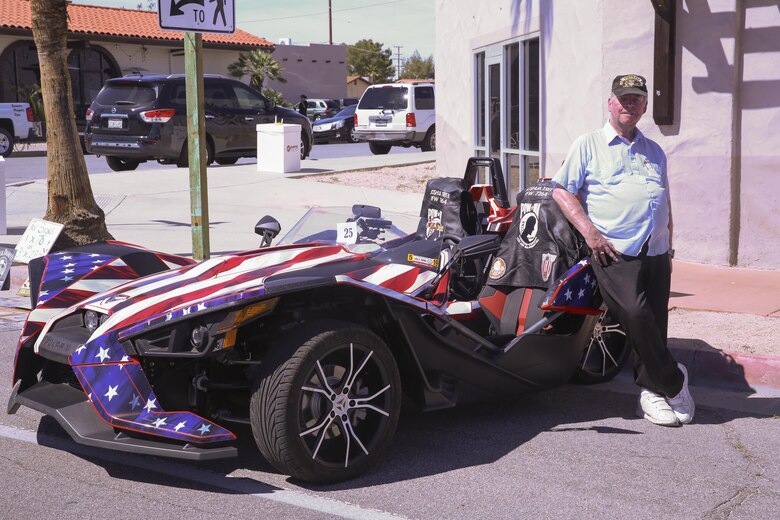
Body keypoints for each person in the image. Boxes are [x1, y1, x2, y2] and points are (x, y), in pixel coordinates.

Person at [551, 74, 694, 427]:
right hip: (613, 250)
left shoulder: (654, 151)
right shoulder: (588, 144)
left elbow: (665, 201)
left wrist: (669, 244)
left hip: (656, 249)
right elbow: (561, 190)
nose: (630, 104)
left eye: (637, 99)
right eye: (624, 98)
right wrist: (591, 234)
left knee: (655, 323)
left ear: (644, 106)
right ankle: (674, 382)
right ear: (611, 103)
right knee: (634, 313)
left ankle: (649, 393)